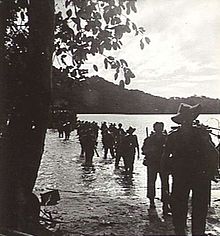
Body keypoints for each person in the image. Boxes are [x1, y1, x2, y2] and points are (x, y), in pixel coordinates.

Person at [161, 103, 219, 236]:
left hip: (197, 177)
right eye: (185, 119)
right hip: (184, 176)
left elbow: (214, 154)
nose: (187, 122)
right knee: (181, 208)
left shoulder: (200, 135)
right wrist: (164, 181)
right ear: (181, 121)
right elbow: (164, 159)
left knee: (198, 209)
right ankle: (182, 232)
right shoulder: (173, 136)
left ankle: (193, 232)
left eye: (189, 119)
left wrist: (211, 172)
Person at [142, 122, 170, 215]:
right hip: (152, 163)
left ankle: (165, 203)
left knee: (165, 184)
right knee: (151, 182)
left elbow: (172, 150)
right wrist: (150, 151)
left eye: (160, 128)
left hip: (164, 164)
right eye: (157, 128)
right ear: (154, 129)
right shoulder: (149, 139)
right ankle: (152, 201)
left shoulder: (167, 139)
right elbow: (144, 150)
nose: (159, 129)